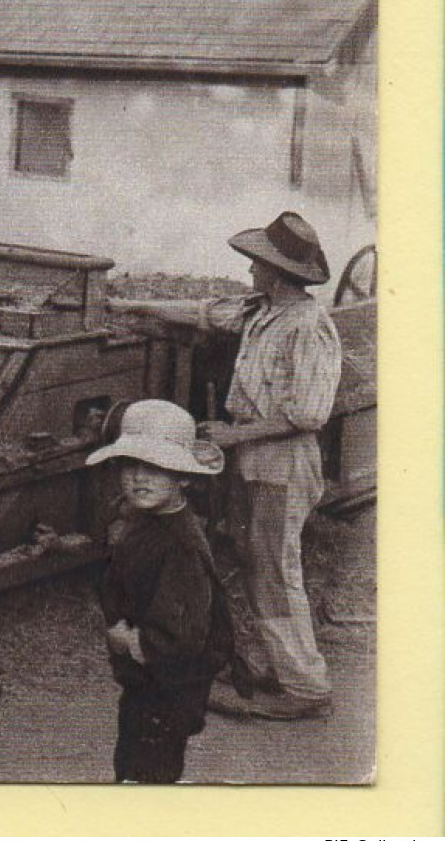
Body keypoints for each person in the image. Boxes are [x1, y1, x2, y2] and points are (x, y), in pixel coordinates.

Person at [110, 211, 343, 721]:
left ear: (279, 274)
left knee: (274, 573)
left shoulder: (307, 325)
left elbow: (309, 412)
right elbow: (206, 313)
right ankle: (276, 666)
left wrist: (233, 433)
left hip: (280, 463)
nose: (251, 271)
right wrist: (128, 306)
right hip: (254, 459)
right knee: (254, 560)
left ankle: (305, 686)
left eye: (258, 264)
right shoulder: (262, 309)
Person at [89, 400, 236, 783]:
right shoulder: (147, 522)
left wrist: (129, 640)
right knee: (134, 763)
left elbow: (184, 633)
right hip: (150, 683)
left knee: (147, 770)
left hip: (170, 686)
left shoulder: (180, 545)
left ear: (184, 477)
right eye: (130, 465)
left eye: (155, 469)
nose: (140, 477)